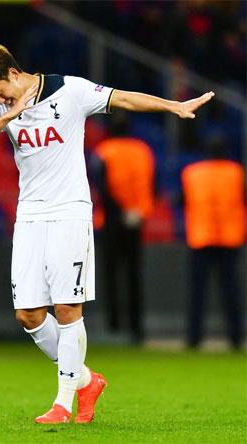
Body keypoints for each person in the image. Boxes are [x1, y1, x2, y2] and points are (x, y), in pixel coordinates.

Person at [0, 44, 213, 424]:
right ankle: (84, 380)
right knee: (28, 315)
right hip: (29, 215)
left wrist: (173, 106)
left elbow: (123, 98)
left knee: (66, 308)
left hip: (70, 213)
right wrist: (6, 113)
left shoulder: (70, 91)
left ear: (14, 74)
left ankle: (63, 404)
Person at [93, 113, 155, 343]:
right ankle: (136, 328)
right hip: (136, 219)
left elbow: (101, 185)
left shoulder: (104, 150)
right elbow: (152, 182)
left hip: (112, 219)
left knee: (111, 274)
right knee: (134, 274)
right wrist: (138, 211)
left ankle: (114, 326)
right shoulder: (143, 150)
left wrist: (119, 212)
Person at [181, 136, 245, 349]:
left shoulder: (192, 173)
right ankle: (236, 338)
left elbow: (182, 200)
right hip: (229, 238)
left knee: (197, 292)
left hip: (201, 238)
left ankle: (193, 338)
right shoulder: (236, 172)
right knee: (231, 292)